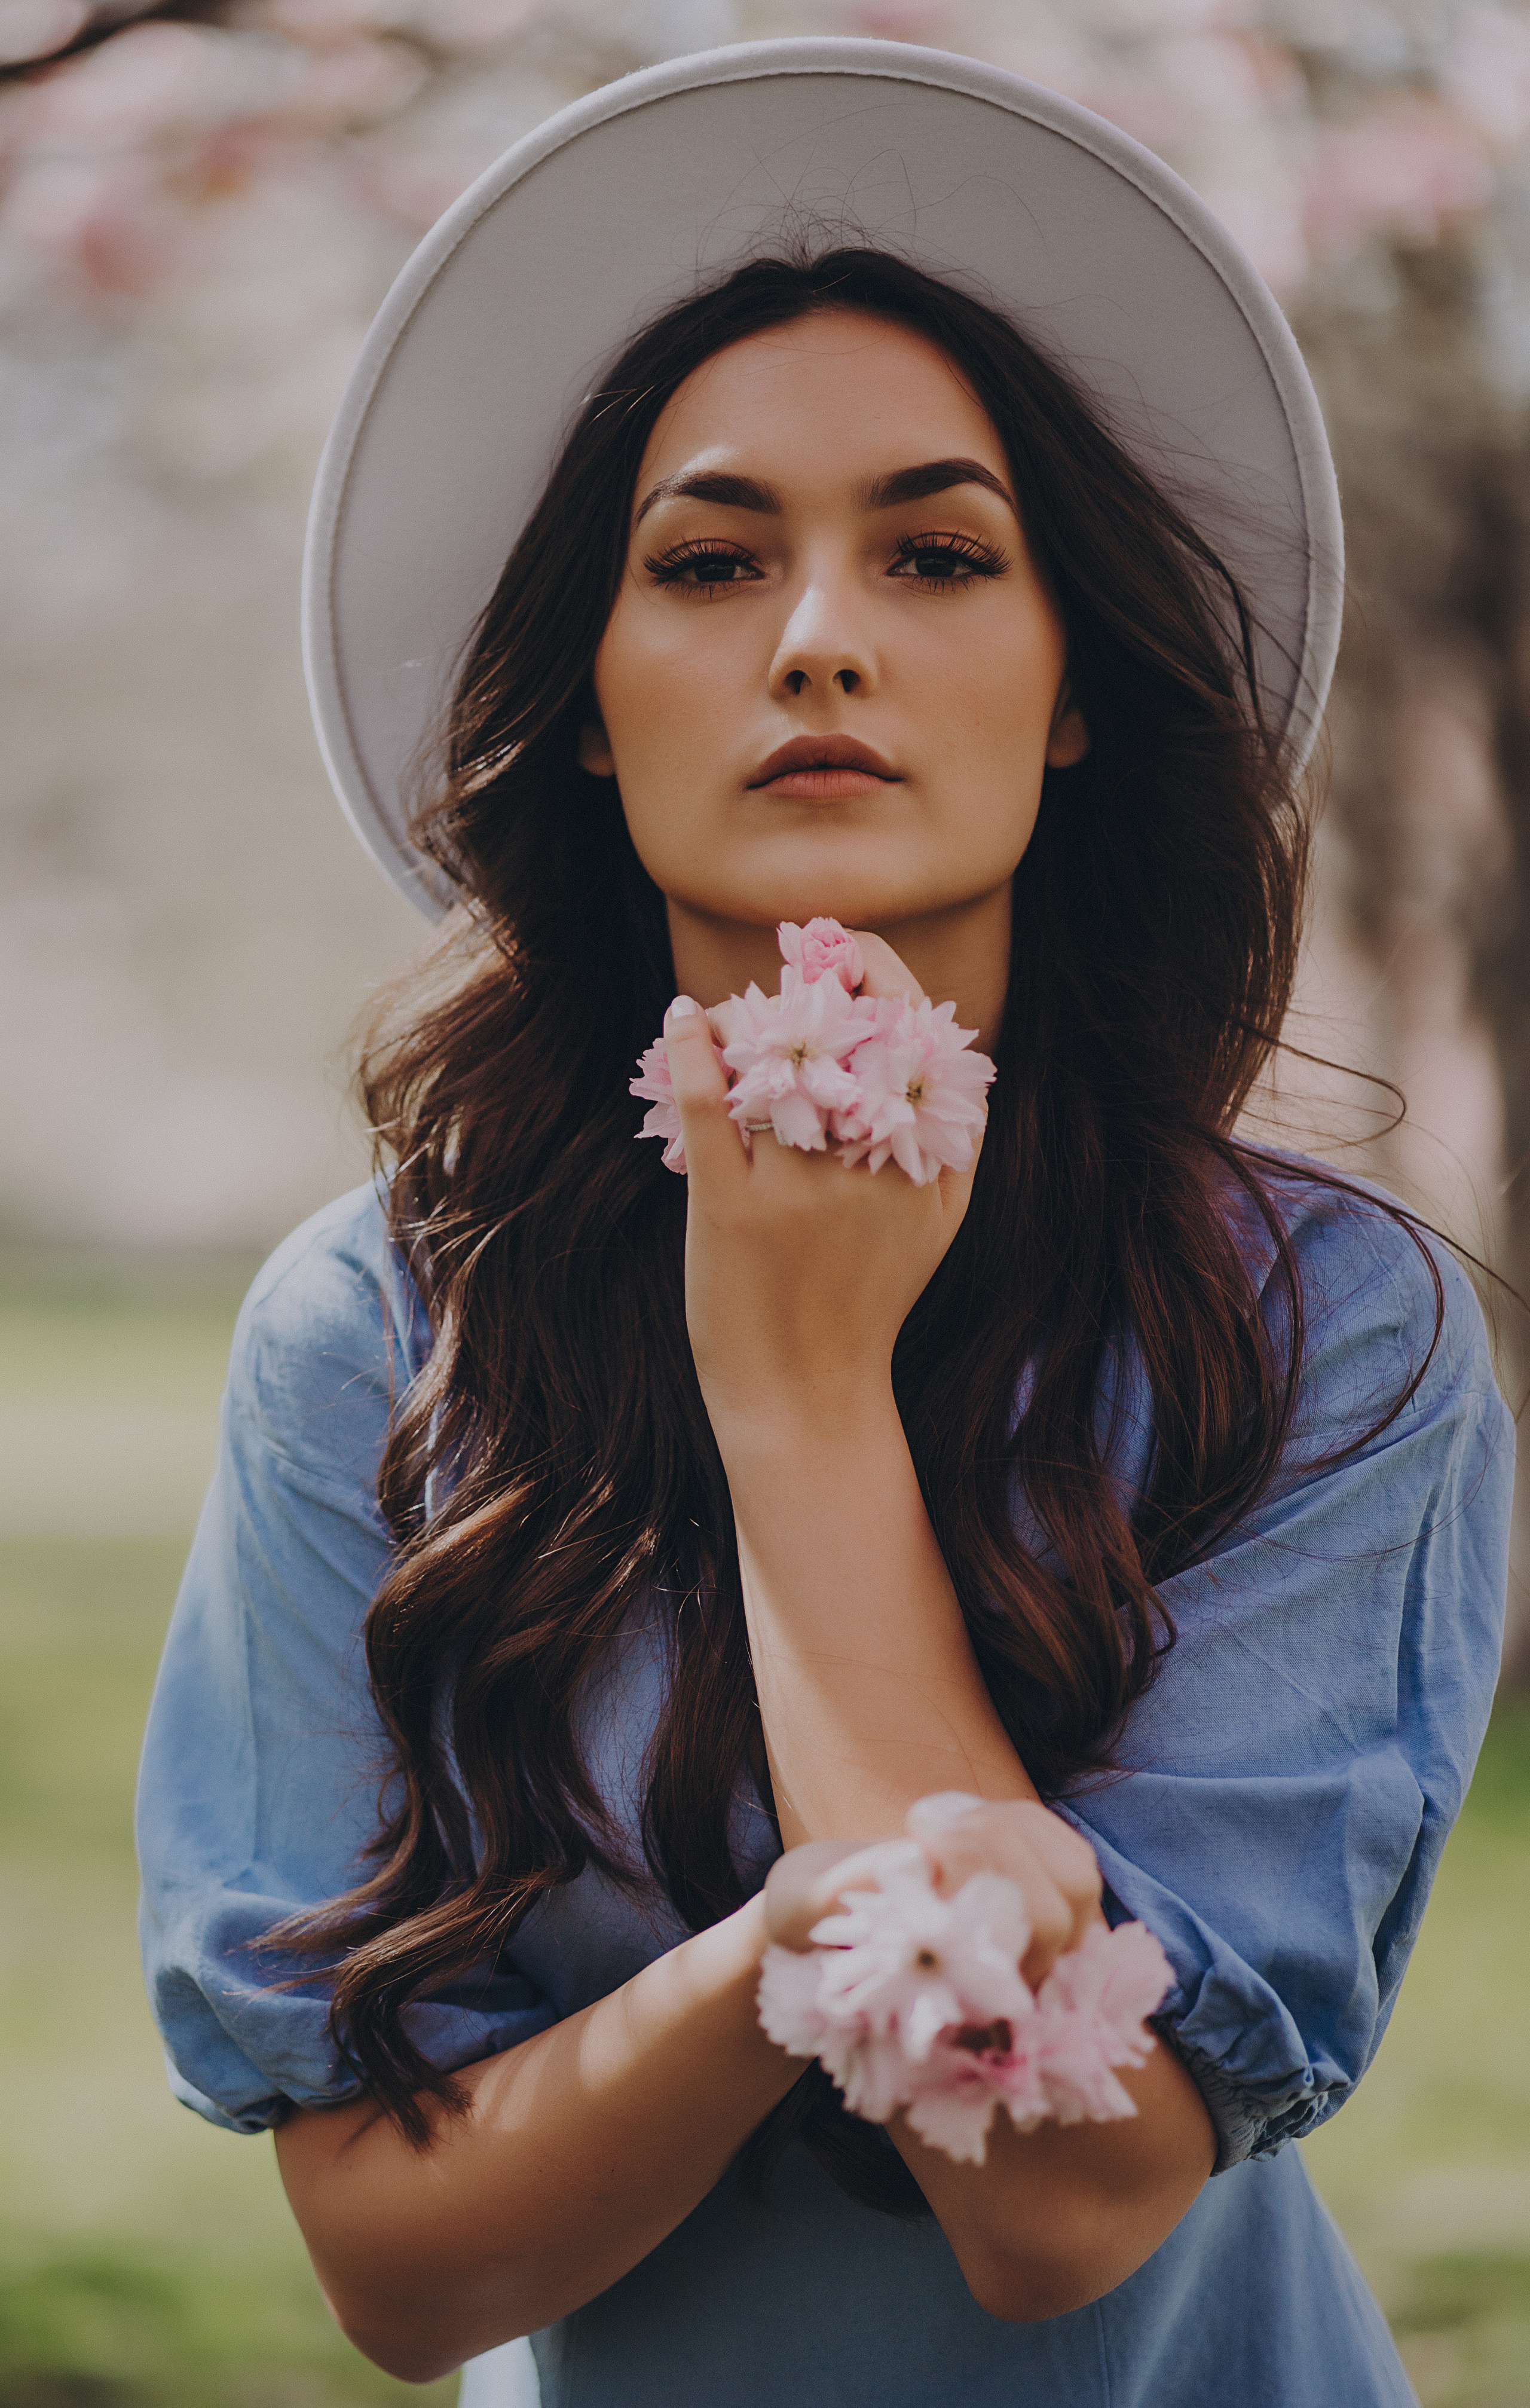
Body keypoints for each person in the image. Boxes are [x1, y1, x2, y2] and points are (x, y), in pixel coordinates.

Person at [136, 41, 1512, 2408]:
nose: (814, 639)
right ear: (587, 700)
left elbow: (1058, 2193)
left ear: (1071, 688)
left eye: (938, 552)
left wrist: (798, 1397)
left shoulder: (1330, 1334)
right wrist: (805, 1940)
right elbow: (394, 2262)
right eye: (706, 559)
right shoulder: (371, 1329)